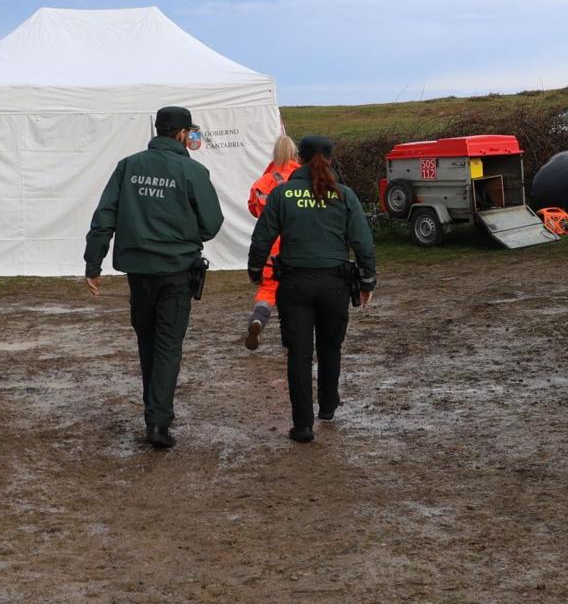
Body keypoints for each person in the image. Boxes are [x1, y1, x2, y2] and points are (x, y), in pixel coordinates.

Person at [83, 106, 224, 449]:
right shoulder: (192, 170)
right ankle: (158, 422)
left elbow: (105, 216)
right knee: (168, 345)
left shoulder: (129, 166)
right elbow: (211, 223)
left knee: (147, 341)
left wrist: (93, 264)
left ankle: (154, 412)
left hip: (139, 271)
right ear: (181, 134)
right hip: (176, 270)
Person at [247, 135, 377, 443]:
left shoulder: (282, 194)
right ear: (330, 159)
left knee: (299, 354)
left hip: (294, 284)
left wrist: (255, 271)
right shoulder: (344, 194)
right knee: (330, 348)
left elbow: (262, 236)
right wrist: (368, 280)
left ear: (300, 159)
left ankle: (302, 425)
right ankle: (328, 407)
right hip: (335, 284)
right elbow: (363, 241)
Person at [243, 135, 301, 351]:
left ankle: (258, 319)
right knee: (297, 292)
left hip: (271, 246)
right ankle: (294, 336)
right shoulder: (301, 180)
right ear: (295, 155)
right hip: (297, 244)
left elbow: (254, 208)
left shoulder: (263, 182)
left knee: (268, 290)